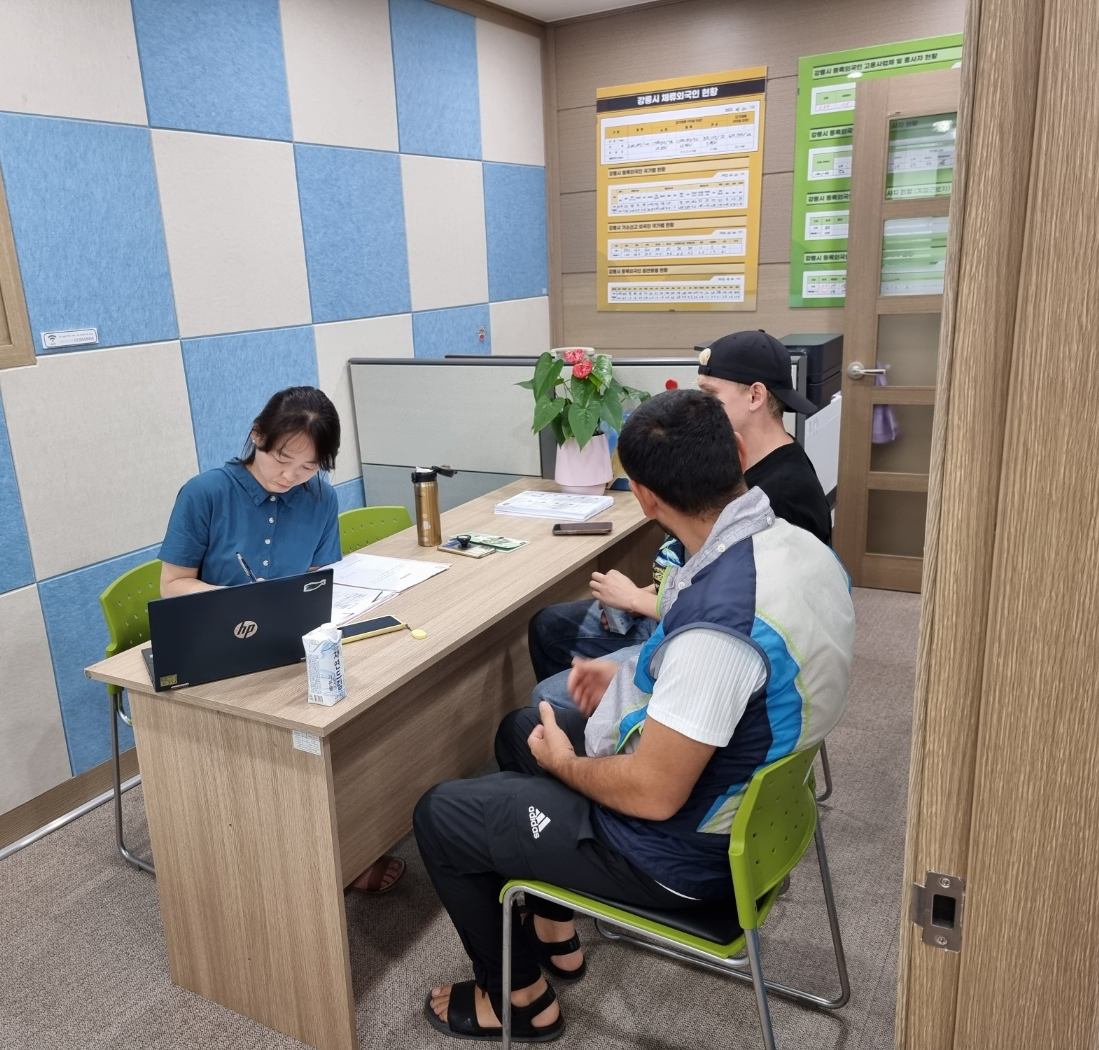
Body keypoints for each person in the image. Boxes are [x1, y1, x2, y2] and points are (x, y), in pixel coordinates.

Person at [414, 389, 854, 1042]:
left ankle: (519, 1002)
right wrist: (628, 673)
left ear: (645, 499)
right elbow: (738, 671)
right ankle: (556, 931)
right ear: (739, 455)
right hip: (756, 803)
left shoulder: (720, 630)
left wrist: (565, 764)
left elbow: (653, 792)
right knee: (521, 729)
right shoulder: (793, 547)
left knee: (442, 814)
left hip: (681, 856)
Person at [157, 385, 405, 894]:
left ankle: (350, 847)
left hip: (292, 646)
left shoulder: (320, 497)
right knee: (283, 747)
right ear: (257, 437)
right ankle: (284, 865)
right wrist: (249, 602)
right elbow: (174, 584)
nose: (290, 477)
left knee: (358, 722)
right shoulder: (205, 493)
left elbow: (321, 577)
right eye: (281, 459)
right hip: (218, 649)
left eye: (308, 467)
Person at [527, 329, 834, 707]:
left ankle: (609, 728)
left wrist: (639, 601)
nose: (700, 408)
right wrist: (643, 596)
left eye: (710, 396)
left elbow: (753, 614)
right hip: (680, 604)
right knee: (549, 624)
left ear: (755, 396)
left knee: (546, 700)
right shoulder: (732, 463)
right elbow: (703, 567)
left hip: (712, 640)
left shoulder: (783, 493)